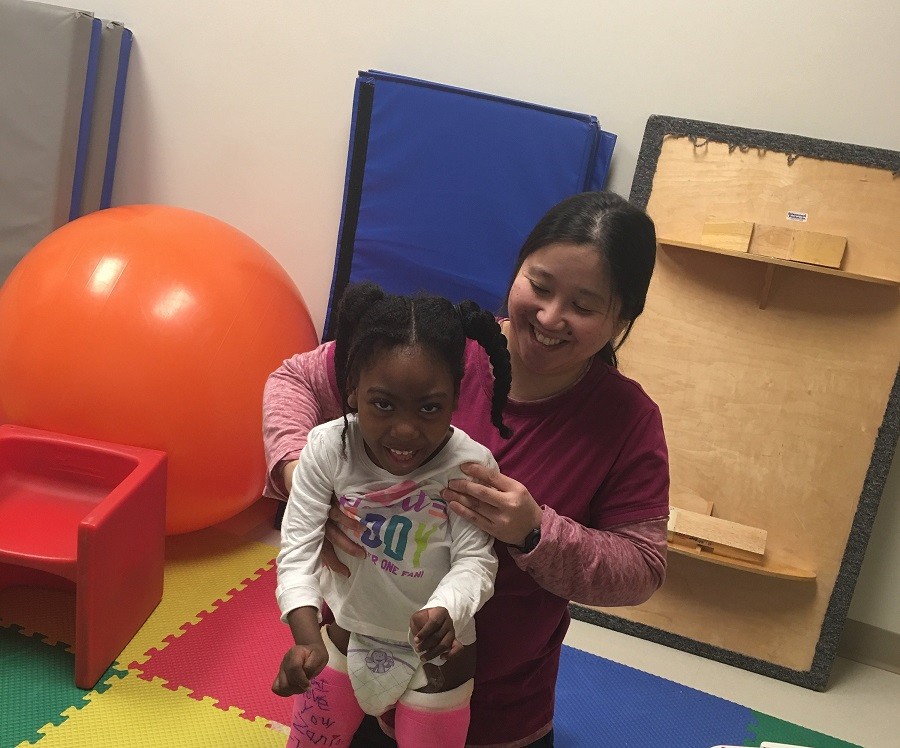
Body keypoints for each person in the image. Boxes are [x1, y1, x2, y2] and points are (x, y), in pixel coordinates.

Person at [264, 191, 669, 747]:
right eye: (541, 286)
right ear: (517, 272)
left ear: (623, 317)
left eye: (584, 305)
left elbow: (643, 567)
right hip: (354, 661)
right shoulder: (443, 349)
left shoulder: (627, 420)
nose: (551, 318)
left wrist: (536, 533)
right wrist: (300, 478)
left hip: (501, 702)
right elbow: (294, 381)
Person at [272, 281, 514, 747]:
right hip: (342, 639)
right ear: (352, 391)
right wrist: (305, 639)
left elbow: (475, 561)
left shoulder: (471, 465)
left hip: (438, 662)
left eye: (430, 408)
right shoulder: (327, 449)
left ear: (455, 399)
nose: (405, 430)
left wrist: (445, 608)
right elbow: (297, 548)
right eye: (383, 404)